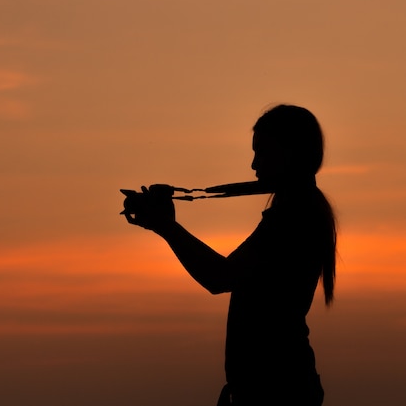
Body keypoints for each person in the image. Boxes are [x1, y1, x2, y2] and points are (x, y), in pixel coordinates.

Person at [122, 104, 337, 406]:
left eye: (261, 152)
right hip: (280, 385)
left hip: (276, 392)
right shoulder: (300, 211)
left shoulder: (293, 218)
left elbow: (219, 277)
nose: (254, 165)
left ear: (289, 153)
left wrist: (166, 227)